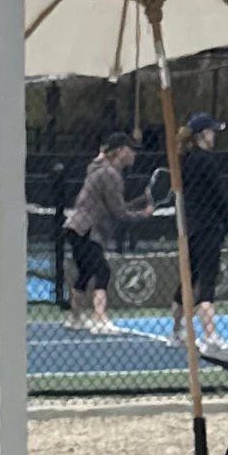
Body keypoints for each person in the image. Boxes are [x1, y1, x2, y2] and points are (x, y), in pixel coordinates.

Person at [61, 136, 146, 328]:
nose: (134, 154)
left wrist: (139, 204)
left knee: (85, 272)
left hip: (76, 227)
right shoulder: (110, 175)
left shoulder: (98, 169)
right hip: (87, 229)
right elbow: (119, 213)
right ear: (121, 150)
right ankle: (100, 320)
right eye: (131, 149)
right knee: (103, 271)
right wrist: (143, 214)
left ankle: (75, 319)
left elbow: (113, 207)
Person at [175, 112, 228, 341]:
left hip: (189, 229)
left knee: (188, 279)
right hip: (208, 229)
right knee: (207, 282)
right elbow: (217, 196)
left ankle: (176, 330)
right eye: (212, 132)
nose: (214, 136)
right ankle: (210, 336)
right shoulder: (206, 161)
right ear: (202, 135)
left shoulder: (185, 161)